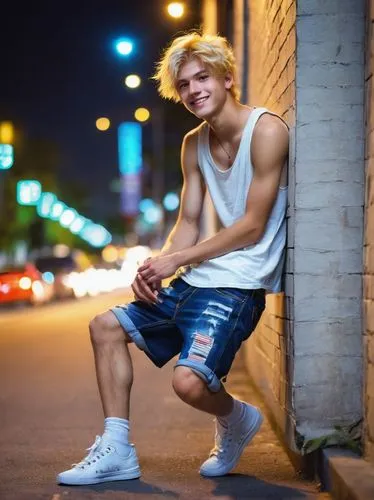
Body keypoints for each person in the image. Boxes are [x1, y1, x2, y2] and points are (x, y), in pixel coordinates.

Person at [57, 31, 289, 485]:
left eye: (203, 77)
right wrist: (156, 268)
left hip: (238, 285)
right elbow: (188, 219)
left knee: (188, 384)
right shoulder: (193, 143)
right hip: (198, 278)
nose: (194, 90)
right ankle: (117, 449)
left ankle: (237, 417)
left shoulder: (267, 130)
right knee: (104, 326)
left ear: (226, 77)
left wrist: (177, 259)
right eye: (183, 84)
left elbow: (252, 226)